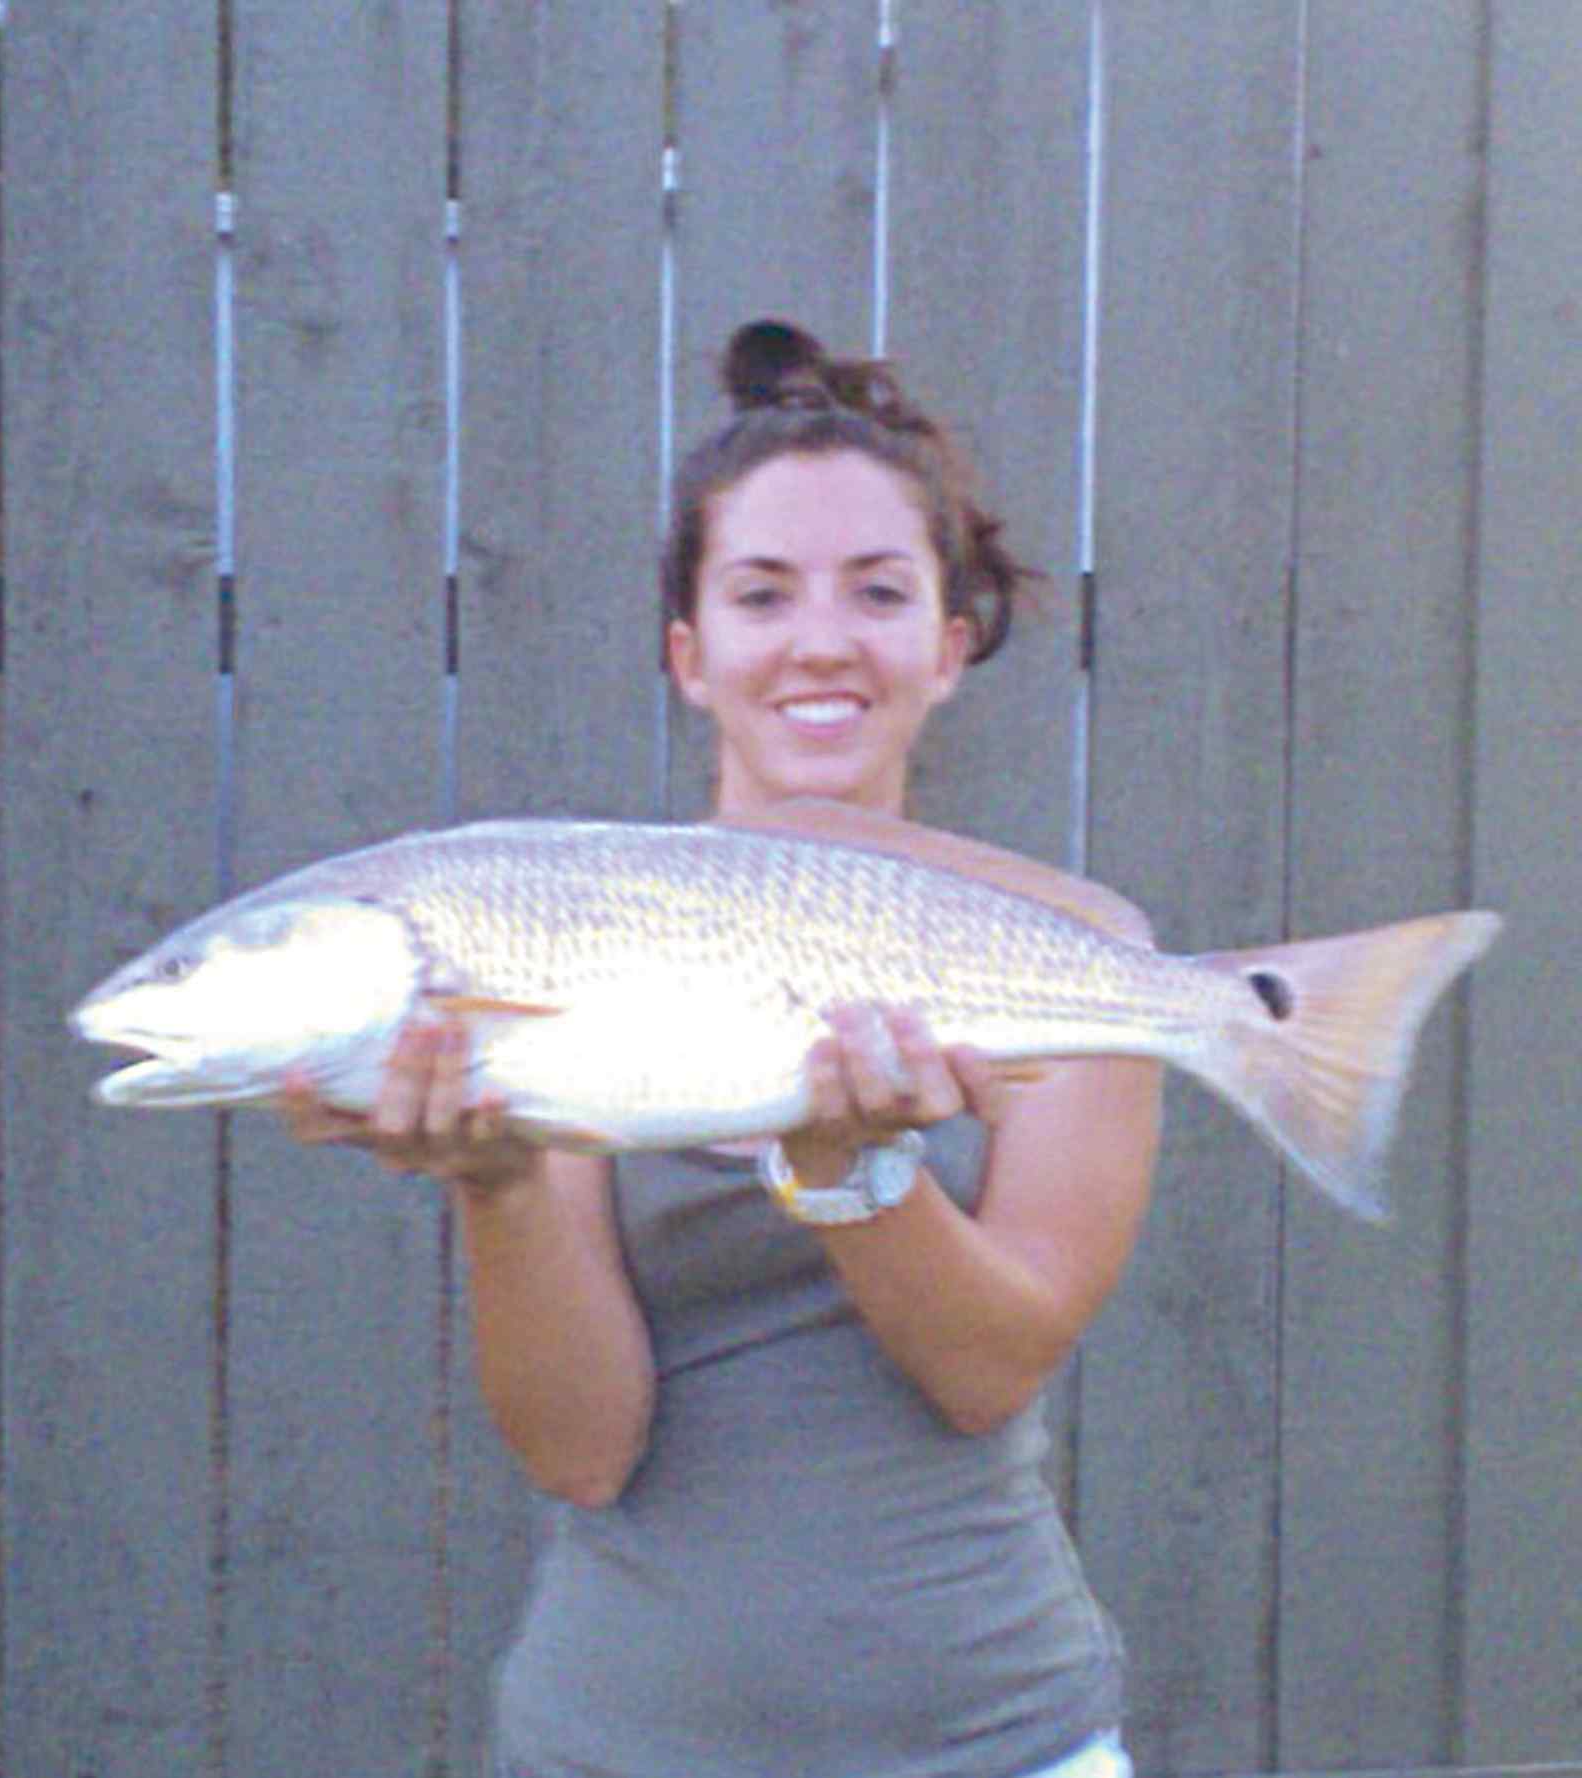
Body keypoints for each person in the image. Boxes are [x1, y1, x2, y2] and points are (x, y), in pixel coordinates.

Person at [284, 320, 1163, 1778]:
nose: (820, 640)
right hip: (616, 1741)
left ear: (948, 647)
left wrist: (854, 1176)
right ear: (690, 656)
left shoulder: (1078, 950)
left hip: (1002, 1741)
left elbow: (987, 1371)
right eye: (762, 594)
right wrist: (498, 1182)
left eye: (878, 591)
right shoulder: (571, 936)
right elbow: (582, 1450)